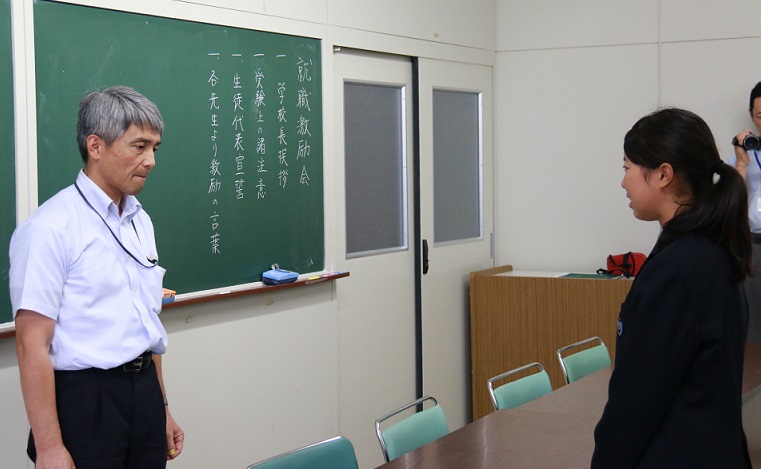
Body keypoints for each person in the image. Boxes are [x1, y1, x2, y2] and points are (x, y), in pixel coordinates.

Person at [9, 85, 184, 468]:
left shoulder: (139, 220)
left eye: (155, 148)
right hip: (87, 401)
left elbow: (146, 322)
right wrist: (49, 448)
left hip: (143, 391)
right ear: (96, 146)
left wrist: (163, 409)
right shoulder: (50, 228)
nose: (151, 160)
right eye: (139, 147)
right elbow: (31, 344)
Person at [591, 108, 752, 468]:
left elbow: (636, 401)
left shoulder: (676, 269)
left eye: (627, 168)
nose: (623, 182)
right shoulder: (715, 249)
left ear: (663, 174)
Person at [727, 81, 761, 342]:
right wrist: (741, 164)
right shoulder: (740, 158)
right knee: (752, 327)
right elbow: (729, 204)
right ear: (751, 115)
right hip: (751, 244)